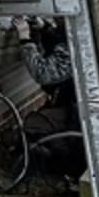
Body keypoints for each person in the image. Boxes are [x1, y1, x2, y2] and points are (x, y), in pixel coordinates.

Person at [12, 15, 86, 182]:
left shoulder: (72, 43)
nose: (54, 17)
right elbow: (57, 41)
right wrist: (44, 28)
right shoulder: (75, 33)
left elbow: (43, 73)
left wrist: (25, 39)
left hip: (74, 112)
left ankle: (57, 164)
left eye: (58, 17)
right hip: (76, 106)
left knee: (33, 126)